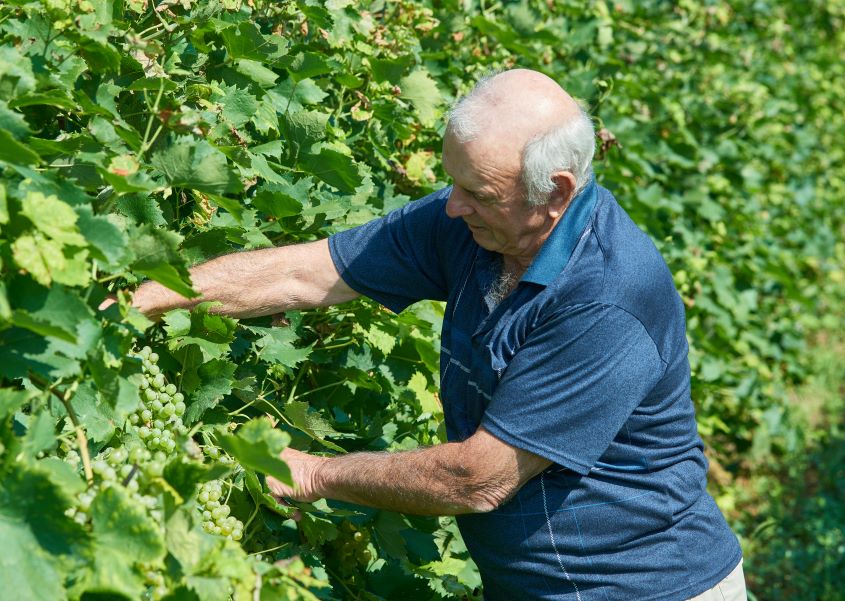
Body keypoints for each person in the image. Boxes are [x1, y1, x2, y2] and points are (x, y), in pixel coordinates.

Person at [127, 69, 747, 600]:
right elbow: (307, 272)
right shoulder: (475, 224)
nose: (452, 205)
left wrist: (315, 474)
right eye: (454, 182)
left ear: (554, 193)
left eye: (476, 192)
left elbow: (479, 478)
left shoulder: (608, 297)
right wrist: (146, 297)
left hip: (644, 586)